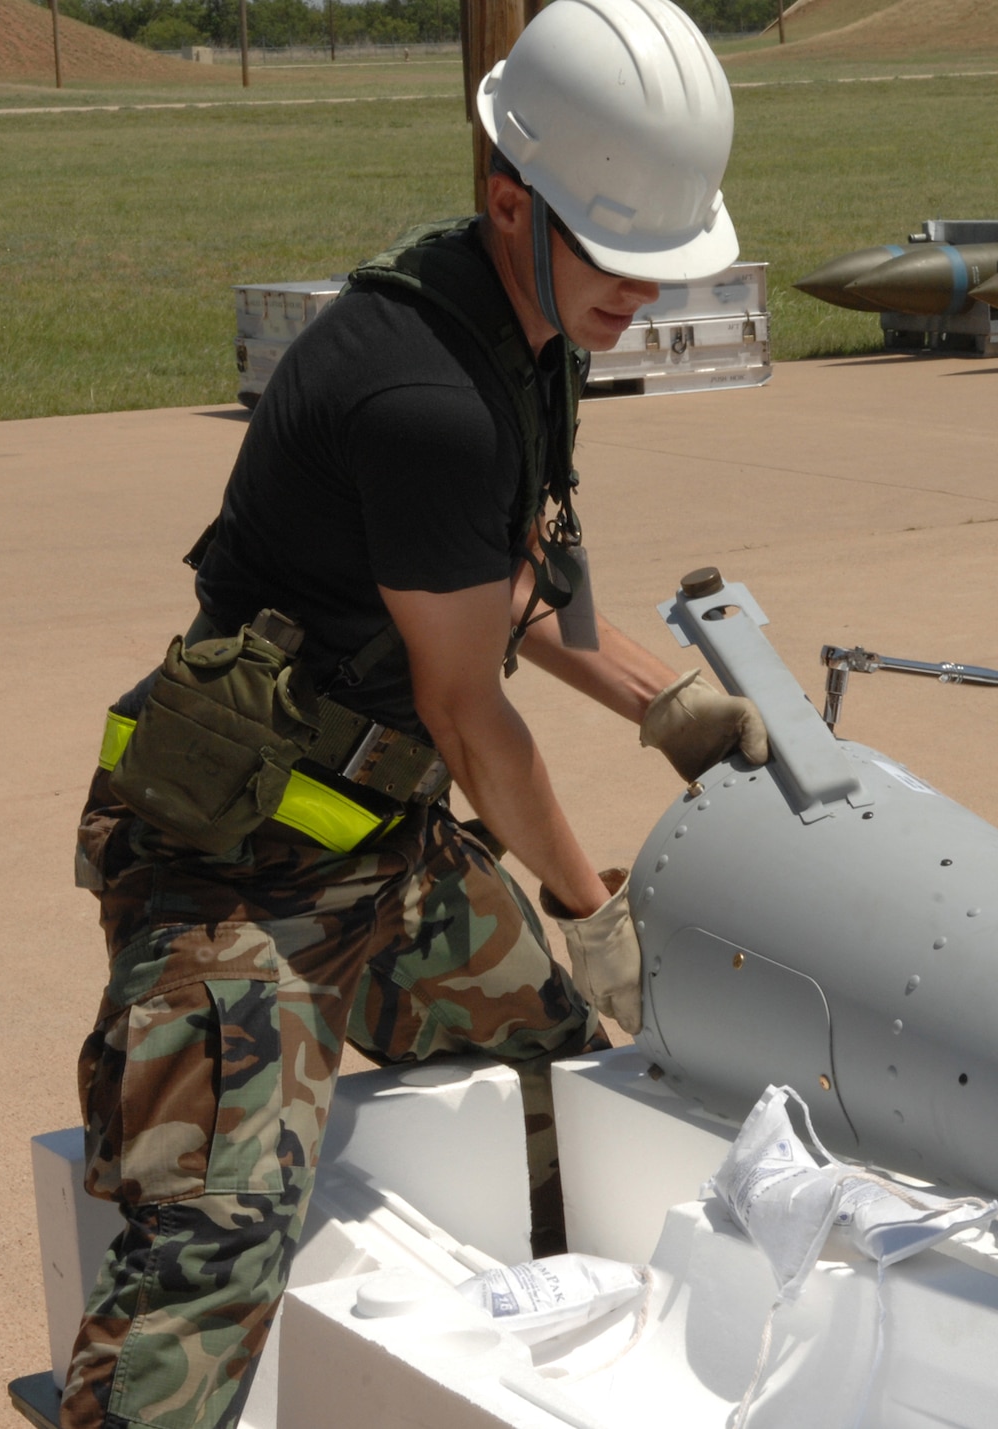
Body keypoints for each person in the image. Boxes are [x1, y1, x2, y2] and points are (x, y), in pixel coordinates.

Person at [61, 2, 768, 1426]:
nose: (641, 290)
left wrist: (667, 700)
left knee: (581, 1092)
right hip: (227, 877)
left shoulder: (528, 331)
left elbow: (505, 584)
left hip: (377, 853)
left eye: (662, 259)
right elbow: (469, 711)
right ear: (513, 201)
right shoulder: (425, 389)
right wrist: (587, 899)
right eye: (618, 253)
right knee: (216, 1242)